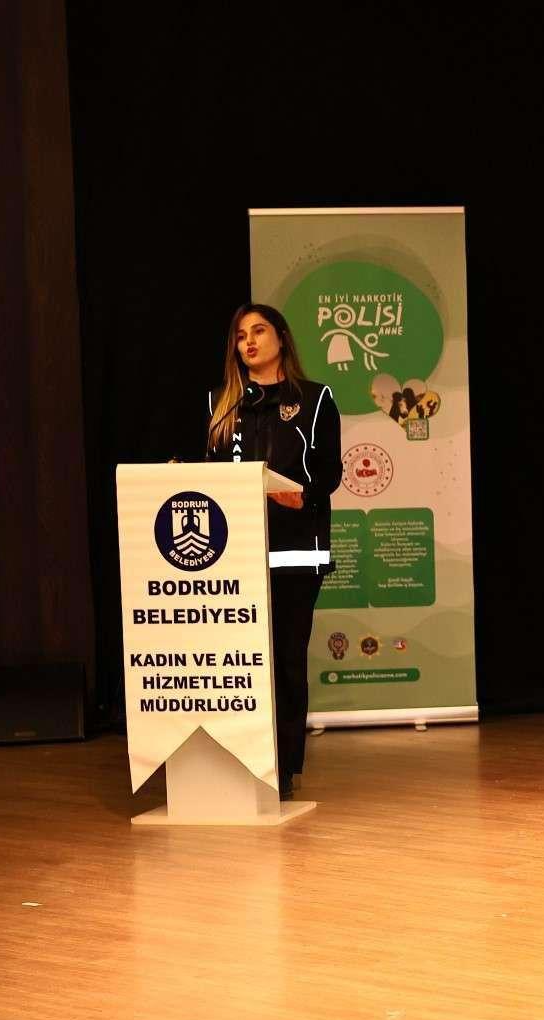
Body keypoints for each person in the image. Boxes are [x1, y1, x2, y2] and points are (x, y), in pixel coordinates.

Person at [204, 303, 342, 799]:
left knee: (285, 660)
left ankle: (282, 769)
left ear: (281, 337)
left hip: (295, 550)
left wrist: (303, 496)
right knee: (242, 663)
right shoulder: (222, 402)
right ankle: (241, 761)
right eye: (241, 335)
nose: (249, 342)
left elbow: (330, 470)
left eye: (259, 331)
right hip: (236, 552)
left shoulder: (314, 398)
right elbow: (211, 472)